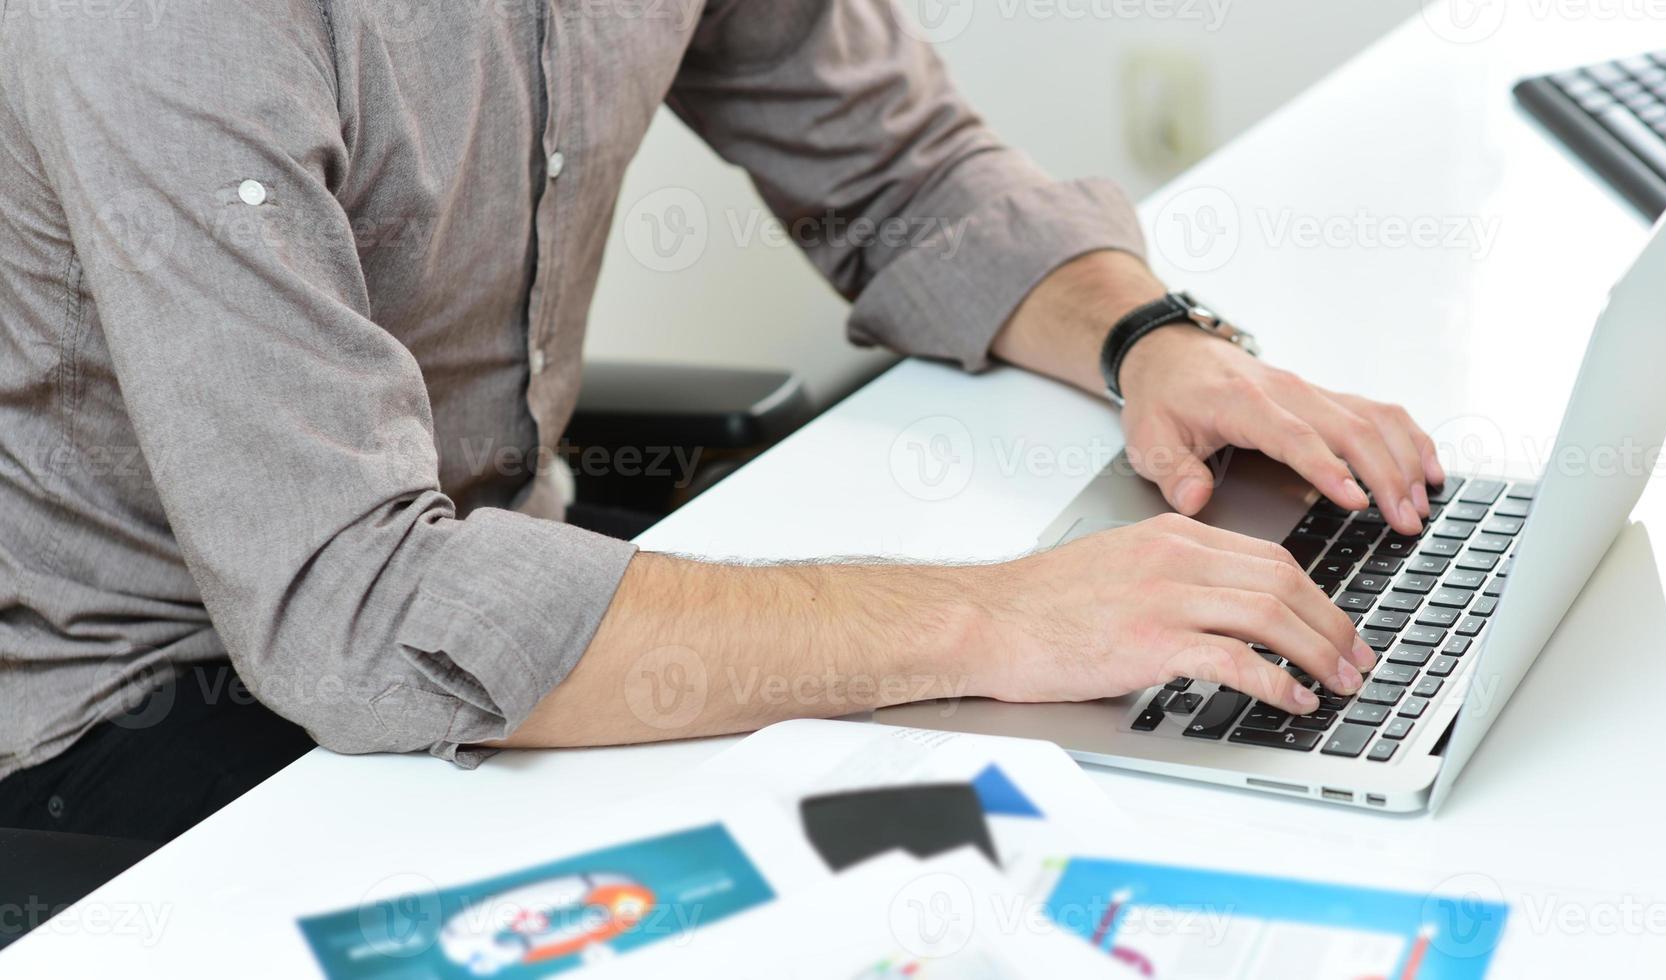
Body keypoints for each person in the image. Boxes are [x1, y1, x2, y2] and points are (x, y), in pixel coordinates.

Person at [0, 0, 1442, 843]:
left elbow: (899, 169)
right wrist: (998, 619)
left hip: (486, 567)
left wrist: (1148, 338)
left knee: (1083, 812)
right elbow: (352, 612)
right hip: (154, 716)